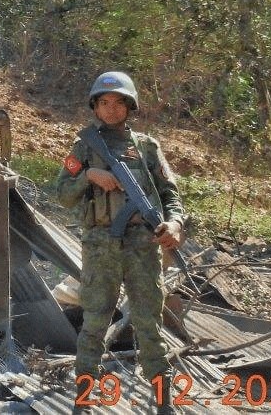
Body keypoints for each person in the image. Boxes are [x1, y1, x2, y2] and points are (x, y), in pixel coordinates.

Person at [53, 71, 185, 415]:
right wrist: (88, 175)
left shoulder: (147, 147)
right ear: (95, 107)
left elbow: (171, 195)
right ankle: (83, 401)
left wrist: (174, 223)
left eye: (118, 103)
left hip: (143, 244)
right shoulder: (83, 147)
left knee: (149, 325)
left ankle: (164, 402)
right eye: (104, 102)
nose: (111, 109)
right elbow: (62, 193)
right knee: (94, 324)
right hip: (100, 246)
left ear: (130, 106)